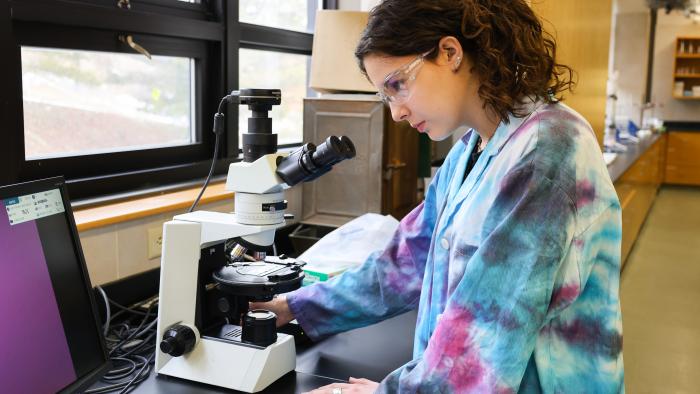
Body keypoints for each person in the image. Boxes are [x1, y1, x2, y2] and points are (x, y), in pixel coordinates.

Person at [256, 0, 624, 392]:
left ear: (450, 53)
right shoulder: (471, 150)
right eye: (385, 96)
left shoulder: (547, 152)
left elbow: (487, 330)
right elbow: (408, 260)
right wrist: (293, 306)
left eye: (397, 84)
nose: (395, 112)